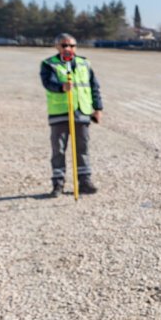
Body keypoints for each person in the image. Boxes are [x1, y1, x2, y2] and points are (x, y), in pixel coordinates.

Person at [40, 33, 103, 197]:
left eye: (72, 45)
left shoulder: (84, 63)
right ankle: (58, 184)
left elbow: (94, 87)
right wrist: (62, 87)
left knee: (82, 148)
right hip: (60, 113)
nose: (68, 48)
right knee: (58, 150)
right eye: (64, 45)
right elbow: (48, 83)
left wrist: (98, 108)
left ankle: (85, 182)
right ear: (57, 46)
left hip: (82, 112)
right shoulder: (49, 64)